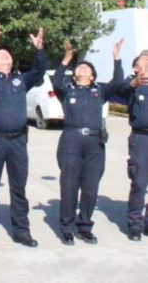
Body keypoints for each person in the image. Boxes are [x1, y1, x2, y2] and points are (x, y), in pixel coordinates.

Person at [0, 21, 45, 249]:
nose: (5, 58)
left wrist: (39, 50)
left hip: (17, 142)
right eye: (0, 56)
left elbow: (39, 71)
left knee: (18, 189)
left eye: (8, 56)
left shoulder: (20, 80)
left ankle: (22, 232)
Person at [53, 39, 124, 245]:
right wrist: (66, 60)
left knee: (91, 187)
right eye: (80, 66)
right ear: (75, 74)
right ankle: (66, 228)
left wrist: (117, 59)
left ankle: (84, 227)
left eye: (87, 67)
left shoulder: (99, 92)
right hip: (71, 142)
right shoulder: (67, 90)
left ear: (92, 76)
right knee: (69, 186)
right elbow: (56, 81)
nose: (82, 67)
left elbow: (118, 82)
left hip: (95, 144)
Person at [117, 50, 148, 241]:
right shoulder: (132, 84)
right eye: (144, 60)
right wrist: (135, 82)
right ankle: (135, 225)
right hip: (141, 139)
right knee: (140, 182)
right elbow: (121, 90)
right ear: (136, 67)